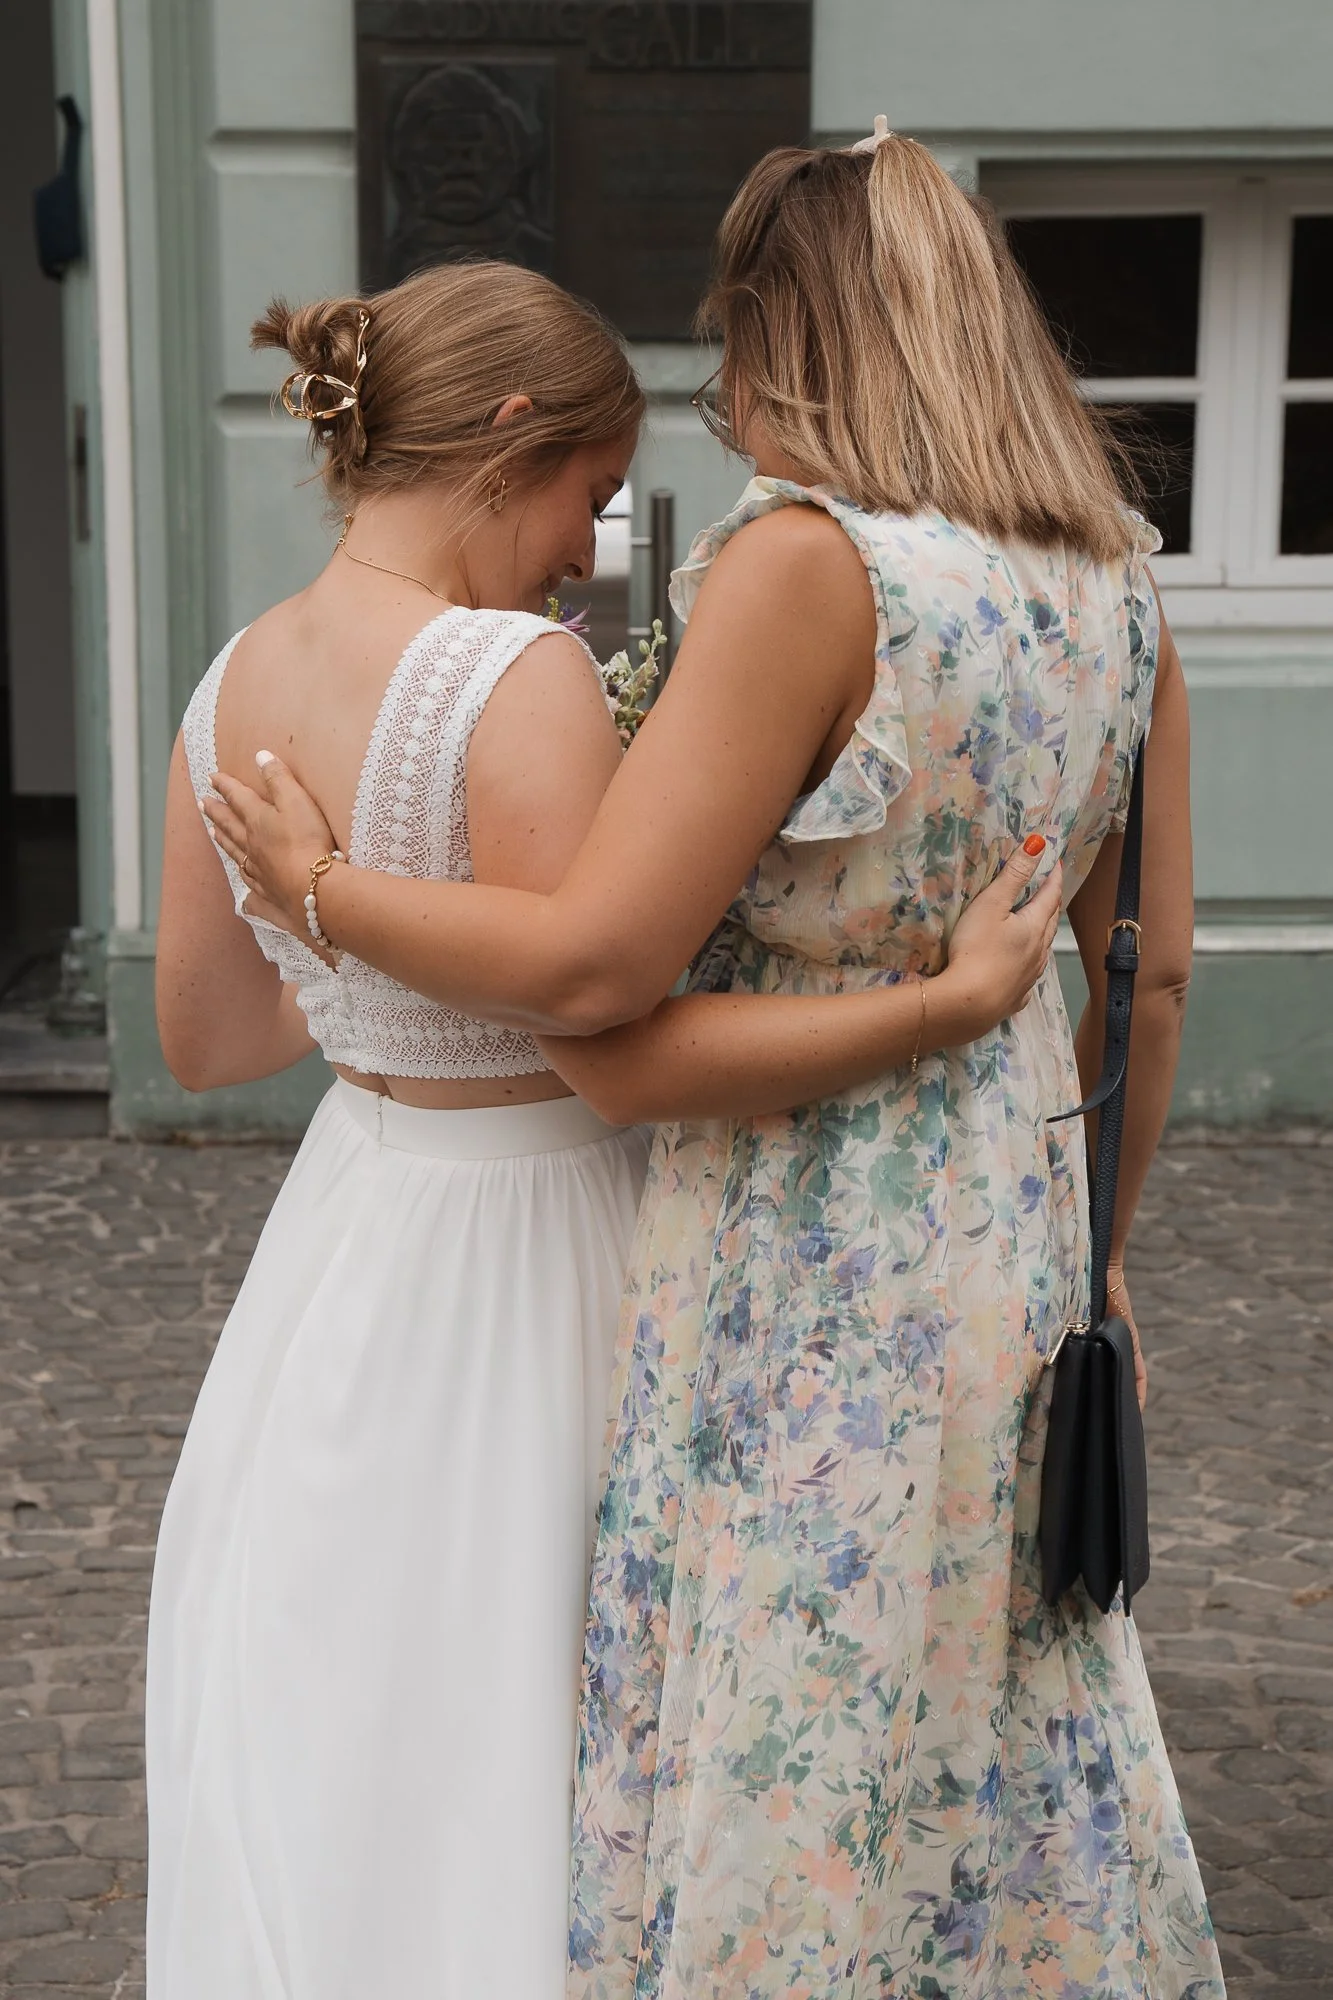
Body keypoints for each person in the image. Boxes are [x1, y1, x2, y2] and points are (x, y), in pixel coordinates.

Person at [207, 132, 1220, 1999]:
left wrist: (326, 890)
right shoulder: (1121, 586)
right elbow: (1146, 989)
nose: (725, 397)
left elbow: (600, 978)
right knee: (980, 1706)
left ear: (803, 329)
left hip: (801, 1229)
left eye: (731, 340)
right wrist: (1102, 1259)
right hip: (1014, 1226)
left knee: (784, 1718)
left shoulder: (806, 567)